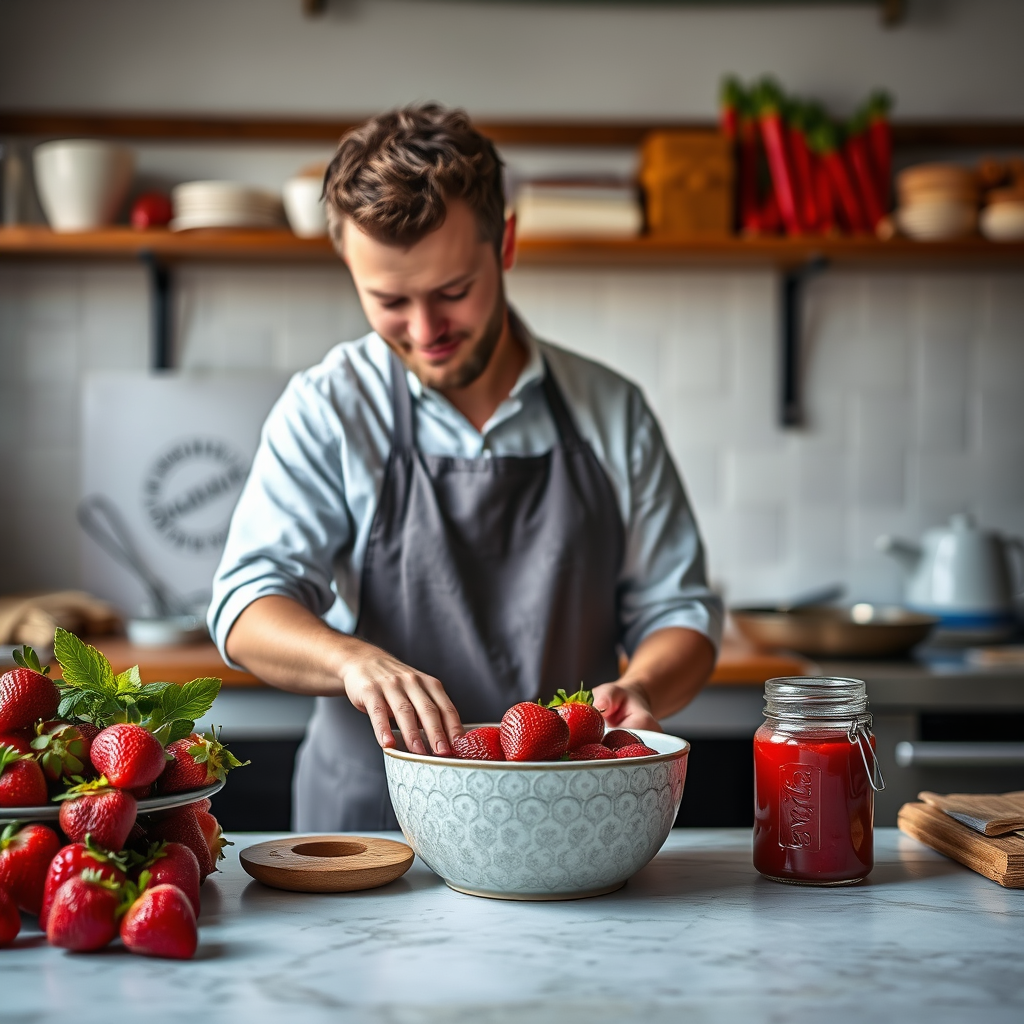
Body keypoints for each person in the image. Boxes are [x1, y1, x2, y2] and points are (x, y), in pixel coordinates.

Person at [208, 103, 723, 831]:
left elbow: (681, 613)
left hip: (562, 829)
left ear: (505, 244)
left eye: (453, 293)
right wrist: (353, 660)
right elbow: (246, 604)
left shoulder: (613, 411)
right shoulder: (328, 407)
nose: (425, 332)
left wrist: (643, 685)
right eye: (389, 301)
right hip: (370, 833)